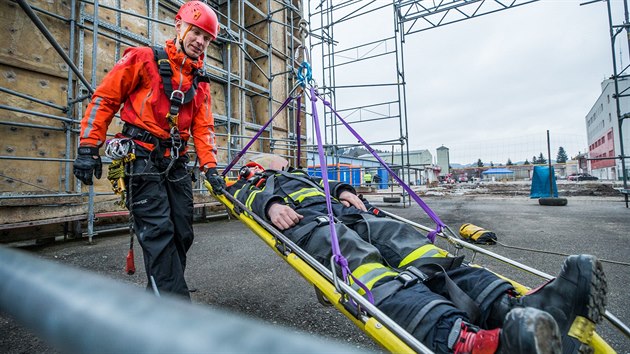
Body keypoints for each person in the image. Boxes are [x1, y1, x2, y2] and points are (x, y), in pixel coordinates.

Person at [225, 157, 607, 354]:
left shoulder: (303, 174)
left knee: (417, 249)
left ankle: (516, 307)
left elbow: (329, 181)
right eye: (270, 162)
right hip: (308, 226)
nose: (277, 162)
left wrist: (343, 189)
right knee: (366, 268)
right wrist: (271, 203)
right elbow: (242, 200)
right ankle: (461, 340)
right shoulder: (255, 182)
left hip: (351, 215)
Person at [73, 1, 226, 299]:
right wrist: (89, 146)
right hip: (141, 158)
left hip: (176, 162)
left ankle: (162, 291)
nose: (200, 42)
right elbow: (105, 99)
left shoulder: (200, 83)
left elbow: (203, 130)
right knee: (158, 233)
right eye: (196, 32)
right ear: (179, 26)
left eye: (207, 38)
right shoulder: (144, 59)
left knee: (182, 230)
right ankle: (174, 304)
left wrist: (211, 169)